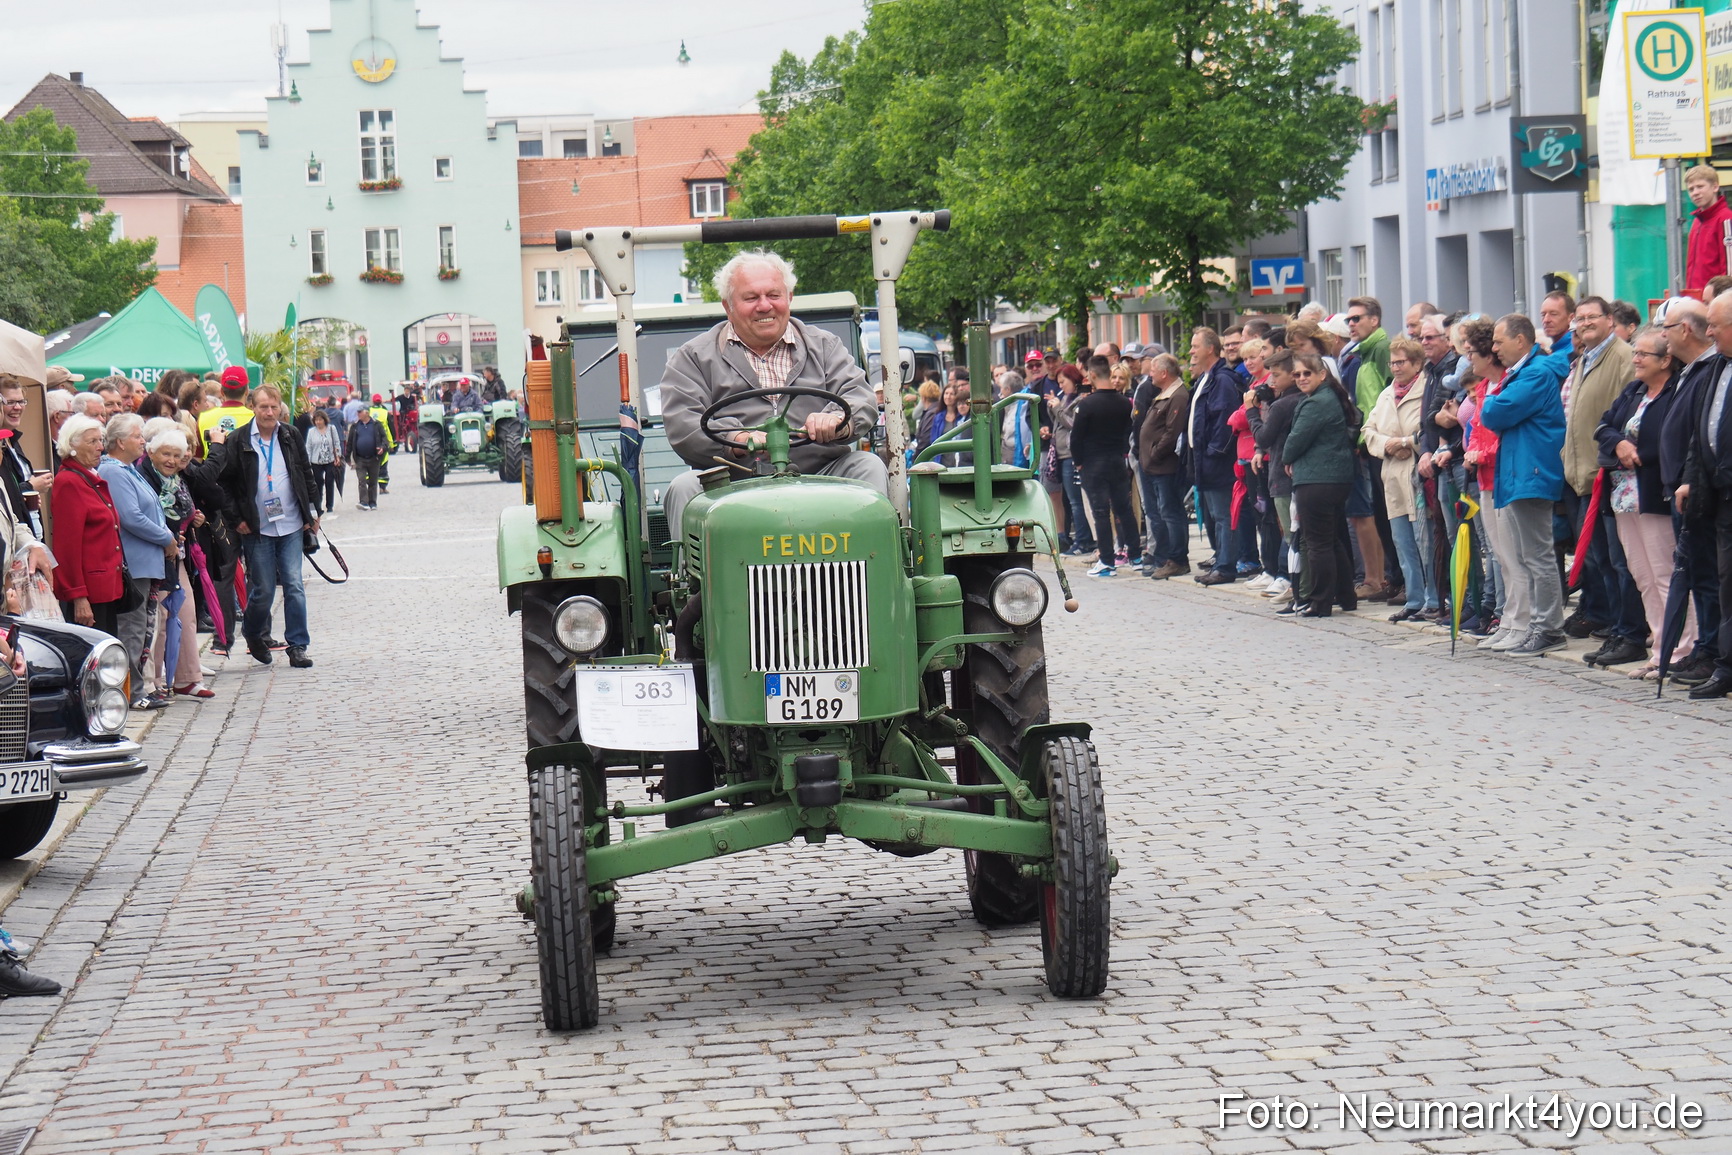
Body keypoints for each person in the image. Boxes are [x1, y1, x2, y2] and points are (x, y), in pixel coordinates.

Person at [659, 251, 881, 534]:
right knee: (684, 488)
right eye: (751, 298)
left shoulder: (824, 346)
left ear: (789, 297)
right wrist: (735, 439)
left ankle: (875, 572)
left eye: (774, 295)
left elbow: (859, 396)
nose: (765, 306)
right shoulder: (693, 357)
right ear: (728, 306)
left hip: (821, 474)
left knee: (868, 466)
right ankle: (694, 578)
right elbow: (683, 424)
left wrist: (837, 420)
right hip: (734, 480)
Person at [1595, 326, 1694, 679]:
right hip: (1623, 497)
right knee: (1642, 575)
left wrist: (1633, 451)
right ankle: (1659, 651)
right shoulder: (1634, 390)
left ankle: (1681, 651)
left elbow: (1671, 440)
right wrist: (1619, 445)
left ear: (1666, 360)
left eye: (1643, 354)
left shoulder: (1674, 392)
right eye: (1635, 352)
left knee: (1666, 574)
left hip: (1654, 493)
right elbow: (1604, 426)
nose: (1635, 359)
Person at [1479, 314, 1570, 656]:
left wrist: (1490, 401)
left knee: (1537, 554)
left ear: (1521, 341)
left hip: (1530, 473)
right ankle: (1538, 624)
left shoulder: (1535, 373)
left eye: (1500, 341)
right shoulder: (1525, 373)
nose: (1495, 348)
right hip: (1520, 472)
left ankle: (1548, 627)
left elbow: (1495, 412)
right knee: (1525, 554)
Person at [1558, 297, 1643, 656]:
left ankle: (1630, 632)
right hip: (1582, 475)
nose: (1585, 323)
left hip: (1609, 475)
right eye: (1580, 318)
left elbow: (1629, 411)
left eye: (1593, 317)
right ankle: (1615, 626)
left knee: (1618, 561)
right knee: (1600, 560)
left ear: (1610, 320)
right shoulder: (1584, 359)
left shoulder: (1622, 357)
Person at [213, 385, 318, 669]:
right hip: (257, 527)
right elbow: (223, 485)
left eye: (273, 407)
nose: (269, 412)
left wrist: (312, 511)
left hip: (292, 523)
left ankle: (298, 645)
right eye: (263, 407)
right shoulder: (238, 440)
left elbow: (305, 472)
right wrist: (237, 520)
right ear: (253, 408)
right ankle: (253, 632)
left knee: (294, 585)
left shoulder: (290, 434)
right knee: (263, 590)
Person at [1654, 297, 1721, 685]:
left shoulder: (1710, 369)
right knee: (1696, 573)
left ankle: (1711, 650)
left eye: (1667, 328)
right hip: (1680, 488)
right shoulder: (1691, 370)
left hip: (1696, 490)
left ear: (1685, 330)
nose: (1663, 336)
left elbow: (1701, 434)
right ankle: (1703, 647)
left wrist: (1689, 478)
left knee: (1706, 575)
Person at [99, 414, 176, 710]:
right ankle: (131, 692)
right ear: (120, 442)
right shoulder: (114, 472)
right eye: (137, 436)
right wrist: (165, 537)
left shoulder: (128, 469)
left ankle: (137, 688)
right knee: (131, 628)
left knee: (140, 627)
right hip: (134, 561)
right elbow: (131, 517)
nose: (142, 441)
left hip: (146, 560)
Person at [1364, 337, 1439, 623]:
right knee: (1402, 542)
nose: (1395, 367)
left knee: (1426, 541)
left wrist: (1408, 441)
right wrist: (1387, 444)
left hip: (1417, 474)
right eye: (1392, 362)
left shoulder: (1426, 390)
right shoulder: (1385, 395)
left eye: (1401, 362)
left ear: (1417, 363)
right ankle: (1414, 598)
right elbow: (1368, 430)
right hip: (1392, 475)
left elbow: (1428, 429)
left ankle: (1433, 598)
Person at [136, 424, 212, 700]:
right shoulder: (144, 476)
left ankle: (188, 678)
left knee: (186, 613)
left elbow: (185, 508)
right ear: (152, 452)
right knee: (161, 618)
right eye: (165, 454)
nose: (171, 460)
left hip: (176, 555)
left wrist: (194, 518)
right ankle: (155, 681)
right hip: (156, 554)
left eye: (176, 455)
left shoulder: (176, 479)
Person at [1281, 354, 1360, 616]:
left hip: (1318, 479)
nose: (1302, 378)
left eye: (1307, 373)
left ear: (1322, 375)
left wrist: (1287, 458)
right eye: (1297, 374)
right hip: (1332, 478)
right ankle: (1346, 597)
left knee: (1317, 543)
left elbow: (1295, 439)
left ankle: (1320, 602)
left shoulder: (1317, 403)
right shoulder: (1329, 398)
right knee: (1332, 540)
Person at [50, 414, 127, 637]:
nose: (100, 447)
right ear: (71, 445)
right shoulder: (69, 482)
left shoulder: (87, 477)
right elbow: (67, 547)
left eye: (100, 441)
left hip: (106, 586)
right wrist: (77, 595)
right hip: (90, 591)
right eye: (92, 442)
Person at [1072, 357, 1139, 576]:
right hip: (1117, 460)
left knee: (1101, 512)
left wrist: (1079, 462)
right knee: (1124, 509)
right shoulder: (1123, 402)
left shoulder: (1087, 404)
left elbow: (1076, 438)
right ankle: (1136, 556)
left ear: (1091, 375)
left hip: (1094, 463)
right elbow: (1128, 430)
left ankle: (1107, 561)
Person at [1189, 327, 1245, 584]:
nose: (1191, 351)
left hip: (1217, 461)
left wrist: (1213, 451)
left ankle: (1225, 566)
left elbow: (1224, 419)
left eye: (1195, 346)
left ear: (1210, 349)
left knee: (1223, 516)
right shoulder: (1206, 377)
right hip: (1204, 459)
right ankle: (1219, 561)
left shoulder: (1222, 379)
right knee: (1214, 515)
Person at [1137, 354, 1191, 579]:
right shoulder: (1165, 394)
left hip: (1164, 466)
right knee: (1161, 512)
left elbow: (1172, 432)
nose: (1149, 374)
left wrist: (1154, 454)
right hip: (1152, 465)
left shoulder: (1177, 395)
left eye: (1153, 370)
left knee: (1171, 513)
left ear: (1164, 373)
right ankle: (1166, 556)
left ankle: (1177, 559)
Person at [1685, 165, 1732, 298]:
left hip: (1716, 302)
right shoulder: (1697, 222)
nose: (1695, 192)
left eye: (1700, 186)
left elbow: (1729, 269)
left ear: (1715, 187)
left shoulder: (1726, 219)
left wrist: (1723, 301)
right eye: (1691, 189)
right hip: (1695, 299)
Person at [198, 366, 254, 457]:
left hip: (212, 470)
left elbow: (198, 459)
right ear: (247, 391)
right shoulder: (255, 419)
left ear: (222, 392)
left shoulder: (203, 417)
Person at [346, 405, 389, 511]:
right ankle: (363, 502)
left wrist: (383, 447)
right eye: (358, 412)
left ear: (367, 413)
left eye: (360, 412)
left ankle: (372, 502)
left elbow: (384, 438)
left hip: (374, 457)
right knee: (361, 480)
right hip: (360, 458)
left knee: (373, 481)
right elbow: (350, 442)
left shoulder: (376, 424)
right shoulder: (355, 426)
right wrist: (347, 457)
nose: (358, 414)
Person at [305, 408, 342, 515]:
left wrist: (337, 456)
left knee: (329, 482)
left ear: (324, 420)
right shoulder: (311, 432)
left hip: (330, 460)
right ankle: (318, 505)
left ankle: (329, 505)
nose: (318, 422)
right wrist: (308, 462)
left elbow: (336, 442)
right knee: (318, 483)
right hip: (316, 461)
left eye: (320, 420)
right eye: (316, 420)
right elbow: (308, 447)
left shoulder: (331, 429)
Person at [1539, 291, 1575, 359]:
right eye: (1543, 315)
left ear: (1571, 318)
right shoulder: (1555, 349)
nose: (1546, 320)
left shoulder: (1575, 350)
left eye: (1553, 314)